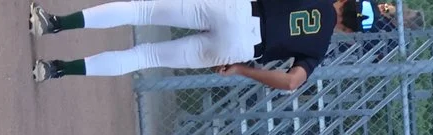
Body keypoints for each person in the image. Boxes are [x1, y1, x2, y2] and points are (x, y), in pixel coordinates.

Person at [31, 0, 394, 88]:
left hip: (239, 10)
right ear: (348, 31)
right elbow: (291, 82)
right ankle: (56, 70)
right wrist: (242, 70)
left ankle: (56, 24)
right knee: (146, 56)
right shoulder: (320, 47)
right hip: (242, 49)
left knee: (142, 10)